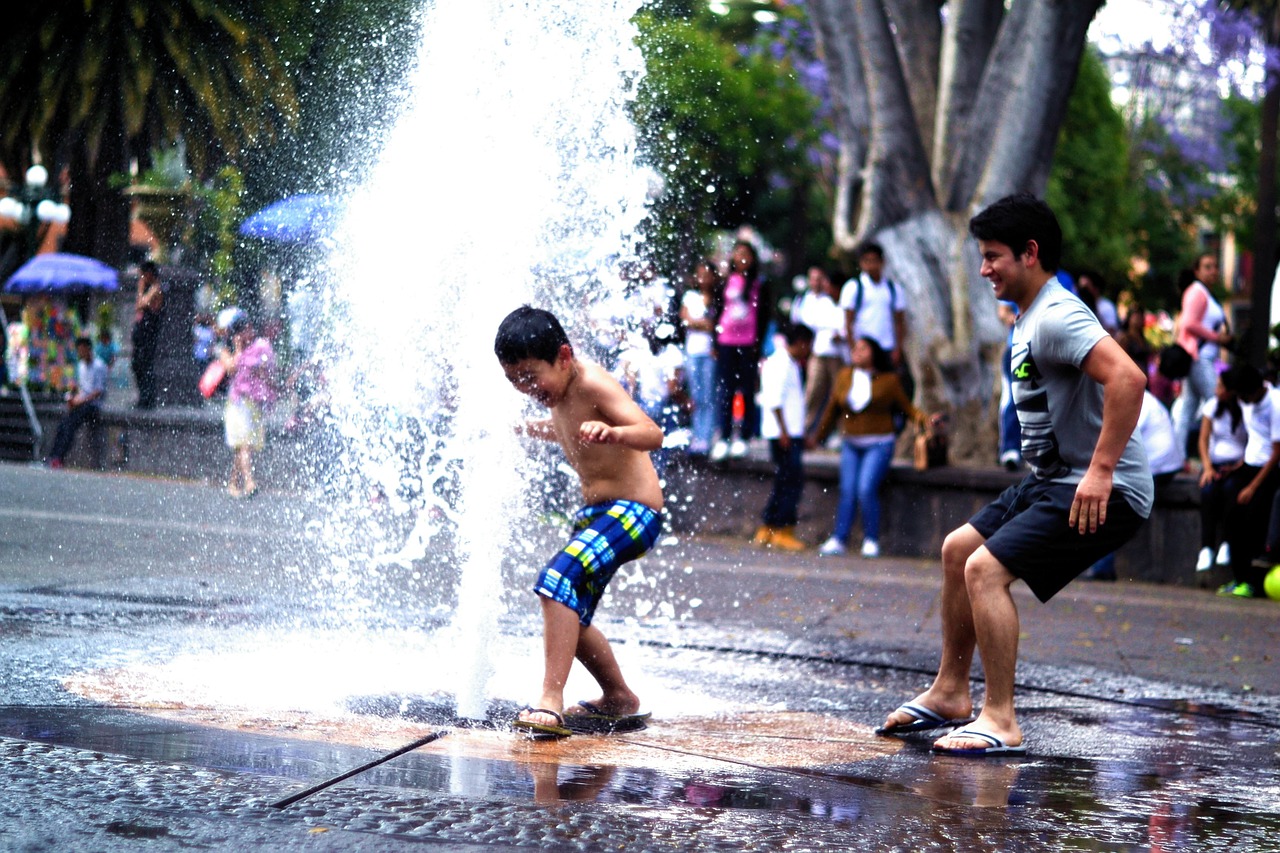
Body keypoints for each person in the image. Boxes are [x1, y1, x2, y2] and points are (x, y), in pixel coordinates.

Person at [877, 194, 1151, 756]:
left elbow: (1129, 378)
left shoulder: (1058, 315)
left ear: (1030, 253)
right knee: (958, 550)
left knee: (984, 570)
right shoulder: (1028, 317)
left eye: (993, 256)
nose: (983, 270)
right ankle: (951, 692)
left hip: (1105, 489)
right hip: (1052, 479)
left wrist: (1100, 472)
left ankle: (1000, 717)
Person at [495, 306, 664, 738]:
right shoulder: (557, 394)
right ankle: (619, 697)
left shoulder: (592, 383)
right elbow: (565, 430)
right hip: (598, 514)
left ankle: (550, 702)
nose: (528, 389)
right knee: (571, 614)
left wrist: (616, 433)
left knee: (555, 579)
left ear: (564, 357)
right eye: (515, 383)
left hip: (633, 511)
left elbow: (652, 432)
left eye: (532, 377)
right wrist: (524, 428)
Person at [811, 336, 928, 558]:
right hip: (851, 442)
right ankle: (839, 538)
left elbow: (907, 409)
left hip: (879, 442)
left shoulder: (889, 380)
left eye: (863, 348)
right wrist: (817, 437)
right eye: (855, 348)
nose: (857, 352)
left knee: (866, 488)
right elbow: (831, 409)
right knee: (847, 489)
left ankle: (871, 539)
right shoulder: (844, 376)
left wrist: (926, 421)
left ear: (874, 353)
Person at [1217, 364, 1280, 598]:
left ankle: (1251, 581)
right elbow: (1255, 438)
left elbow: (1276, 452)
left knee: (1252, 519)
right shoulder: (1246, 401)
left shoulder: (1275, 404)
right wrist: (1239, 466)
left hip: (1268, 471)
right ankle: (1239, 577)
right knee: (1231, 514)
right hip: (1249, 465)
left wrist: (1253, 487)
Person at [752, 323, 813, 551]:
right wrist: (785, 432)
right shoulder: (781, 364)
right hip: (783, 433)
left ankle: (769, 525)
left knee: (784, 479)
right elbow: (775, 400)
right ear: (801, 343)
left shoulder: (786, 363)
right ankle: (782, 527)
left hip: (787, 431)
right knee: (791, 481)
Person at [710, 241, 769, 461]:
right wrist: (715, 342)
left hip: (748, 343)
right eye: (738, 253)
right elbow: (717, 310)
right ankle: (724, 436)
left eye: (746, 254)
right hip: (726, 341)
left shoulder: (759, 283)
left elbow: (764, 315)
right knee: (725, 390)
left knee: (746, 390)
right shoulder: (726, 281)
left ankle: (743, 437)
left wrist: (759, 344)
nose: (741, 257)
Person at [1173, 254, 1232, 455]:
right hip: (1200, 357)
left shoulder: (1203, 292)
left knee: (1188, 408)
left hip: (1199, 357)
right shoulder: (1197, 291)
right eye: (1208, 267)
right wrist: (1217, 337)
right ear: (1197, 271)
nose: (1213, 271)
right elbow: (1188, 323)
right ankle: (1215, 452)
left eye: (1215, 266)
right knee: (1216, 402)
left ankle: (1178, 456)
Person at [216, 314, 277, 498]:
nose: (249, 334)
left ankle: (233, 483)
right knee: (244, 445)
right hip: (237, 403)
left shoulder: (259, 348)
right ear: (236, 333)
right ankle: (250, 482)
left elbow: (268, 372)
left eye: (250, 329)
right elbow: (231, 369)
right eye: (245, 331)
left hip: (254, 402)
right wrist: (238, 349)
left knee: (245, 446)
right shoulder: (226, 350)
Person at [1196, 370, 1246, 572]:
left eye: (1220, 386)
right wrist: (1207, 467)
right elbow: (1203, 439)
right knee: (1208, 492)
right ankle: (1206, 548)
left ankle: (1226, 543)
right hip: (1215, 464)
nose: (1216, 390)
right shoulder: (1211, 407)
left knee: (1231, 492)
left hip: (1238, 464)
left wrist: (1238, 465)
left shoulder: (1245, 409)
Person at [790, 266, 847, 433]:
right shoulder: (804, 300)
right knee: (813, 392)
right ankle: (802, 429)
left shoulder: (835, 301)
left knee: (839, 395)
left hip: (837, 354)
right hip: (817, 351)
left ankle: (841, 432)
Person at [840, 242, 908, 369]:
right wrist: (853, 348)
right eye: (867, 261)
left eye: (874, 260)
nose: (871, 265)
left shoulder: (893, 289)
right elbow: (848, 322)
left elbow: (900, 321)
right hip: (863, 348)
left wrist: (898, 348)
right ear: (861, 263)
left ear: (882, 262)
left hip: (887, 347)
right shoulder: (853, 287)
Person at [679, 260, 721, 457]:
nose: (703, 278)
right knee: (696, 395)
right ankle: (697, 435)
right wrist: (703, 324)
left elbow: (714, 325)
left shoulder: (717, 298)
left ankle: (706, 436)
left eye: (707, 274)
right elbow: (685, 320)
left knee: (709, 395)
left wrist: (700, 324)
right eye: (700, 274)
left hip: (709, 351)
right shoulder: (690, 296)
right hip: (693, 350)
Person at [45, 336, 108, 468]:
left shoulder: (99, 366)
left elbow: (98, 392)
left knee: (71, 425)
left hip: (92, 405)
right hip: (81, 402)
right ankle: (53, 456)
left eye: (82, 350)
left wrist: (80, 401)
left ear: (88, 349)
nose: (80, 353)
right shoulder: (81, 366)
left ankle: (59, 457)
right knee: (63, 425)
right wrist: (73, 397)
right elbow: (81, 387)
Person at [130, 260, 164, 409]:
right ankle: (143, 397)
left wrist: (142, 290)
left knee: (145, 365)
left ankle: (147, 399)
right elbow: (139, 306)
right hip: (141, 333)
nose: (141, 278)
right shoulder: (147, 287)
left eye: (143, 274)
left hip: (149, 334)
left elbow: (141, 304)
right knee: (137, 364)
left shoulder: (156, 288)